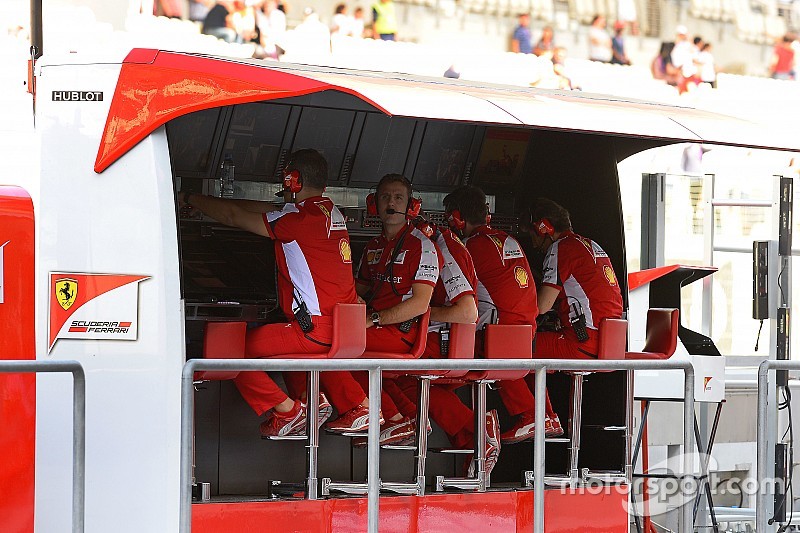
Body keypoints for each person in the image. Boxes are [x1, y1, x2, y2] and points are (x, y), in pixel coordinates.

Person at [178, 149, 372, 437]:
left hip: (313, 331)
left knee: (228, 353)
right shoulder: (330, 211)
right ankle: (327, 401)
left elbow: (233, 216)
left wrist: (189, 199)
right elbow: (265, 208)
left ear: (293, 179)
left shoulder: (297, 218)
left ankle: (288, 411)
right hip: (342, 329)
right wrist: (212, 203)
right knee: (279, 338)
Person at [380, 218, 501, 476]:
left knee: (393, 369)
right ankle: (472, 436)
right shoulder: (440, 243)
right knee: (402, 373)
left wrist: (414, 313)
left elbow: (468, 312)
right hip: (444, 341)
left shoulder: (442, 249)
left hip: (446, 344)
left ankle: (471, 429)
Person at [443, 185, 562, 444]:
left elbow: (449, 293)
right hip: (525, 330)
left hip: (496, 340)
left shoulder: (468, 247)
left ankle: (492, 427)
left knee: (431, 376)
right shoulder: (509, 239)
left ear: (457, 218)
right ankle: (546, 415)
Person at [350, 174, 441, 441]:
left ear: (411, 206)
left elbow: (420, 303)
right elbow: (362, 289)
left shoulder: (421, 246)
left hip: (402, 333)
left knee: (342, 350)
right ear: (373, 203)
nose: (391, 203)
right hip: (376, 329)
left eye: (398, 197)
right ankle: (410, 418)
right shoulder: (373, 246)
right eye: (385, 197)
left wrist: (374, 319)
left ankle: (392, 419)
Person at [521, 198, 623, 360]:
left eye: (533, 236)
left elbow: (542, 306)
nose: (534, 244)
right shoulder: (592, 245)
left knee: (511, 350)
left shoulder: (560, 248)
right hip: (610, 343)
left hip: (583, 341)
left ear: (544, 229)